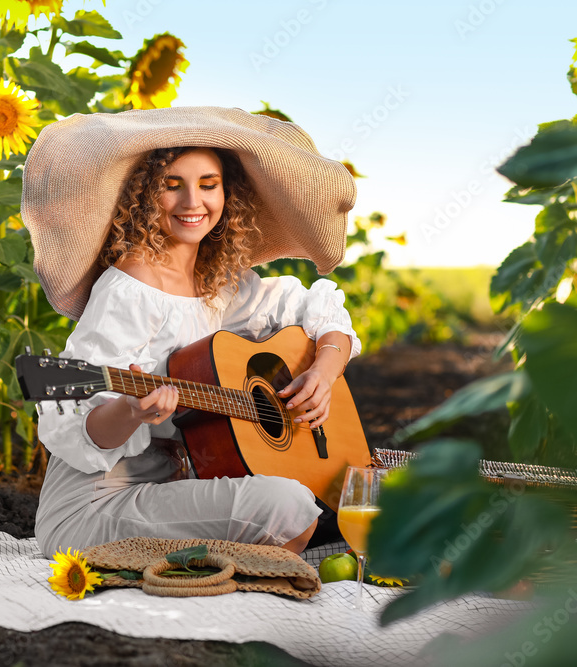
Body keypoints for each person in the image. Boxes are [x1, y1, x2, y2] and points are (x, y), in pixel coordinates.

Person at [20, 106, 362, 559]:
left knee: (306, 497)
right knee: (287, 503)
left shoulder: (219, 283)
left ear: (228, 194)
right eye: (172, 185)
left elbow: (314, 308)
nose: (192, 203)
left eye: (208, 185)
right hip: (92, 506)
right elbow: (75, 430)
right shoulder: (129, 289)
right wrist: (131, 411)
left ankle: (248, 561)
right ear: (144, 195)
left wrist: (325, 369)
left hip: (170, 488)